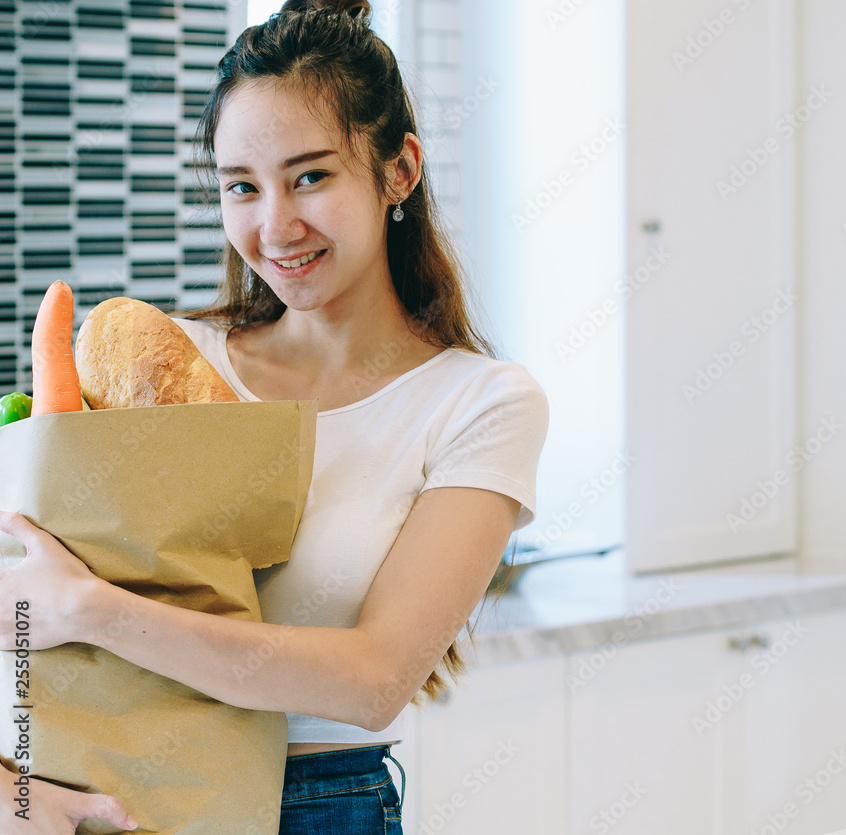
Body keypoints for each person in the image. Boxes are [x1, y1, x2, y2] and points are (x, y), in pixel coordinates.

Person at [0, 0, 549, 832]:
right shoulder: (157, 361)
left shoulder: (480, 403)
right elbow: (17, 599)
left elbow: (371, 680)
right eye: (241, 188)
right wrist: (11, 794)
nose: (274, 225)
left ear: (399, 170)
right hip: (109, 802)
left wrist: (90, 610)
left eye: (311, 176)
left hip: (323, 806)